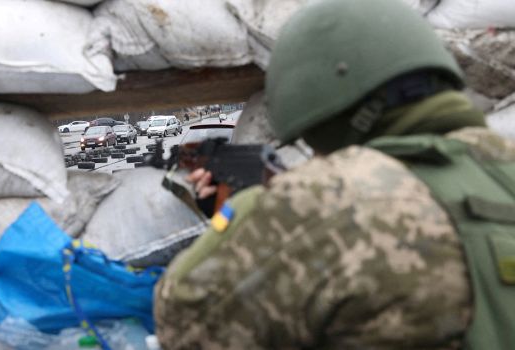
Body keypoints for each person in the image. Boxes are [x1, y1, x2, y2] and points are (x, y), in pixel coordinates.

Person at [154, 0, 515, 348]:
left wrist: (254, 215)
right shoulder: (503, 166)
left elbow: (184, 326)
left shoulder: (326, 202)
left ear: (320, 112)